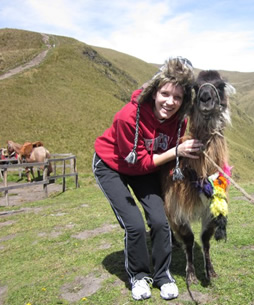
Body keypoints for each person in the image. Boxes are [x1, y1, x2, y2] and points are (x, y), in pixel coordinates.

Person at [92, 57, 203, 301]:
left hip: (144, 170)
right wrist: (175, 152)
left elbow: (168, 159)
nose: (170, 102)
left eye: (178, 97)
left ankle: (163, 276)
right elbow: (141, 161)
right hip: (112, 166)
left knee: (160, 221)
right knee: (134, 224)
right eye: (165, 93)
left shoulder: (178, 122)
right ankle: (139, 276)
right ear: (154, 92)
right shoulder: (128, 117)